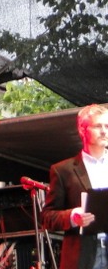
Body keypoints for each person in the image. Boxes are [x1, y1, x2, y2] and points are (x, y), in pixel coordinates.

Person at [42, 104, 108, 269]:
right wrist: (72, 216)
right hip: (83, 256)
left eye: (107, 126)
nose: (104, 131)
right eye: (98, 126)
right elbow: (47, 217)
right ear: (82, 130)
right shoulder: (63, 170)